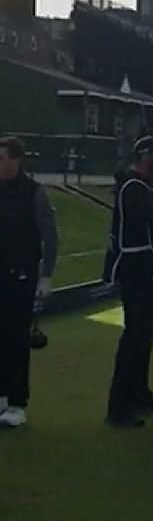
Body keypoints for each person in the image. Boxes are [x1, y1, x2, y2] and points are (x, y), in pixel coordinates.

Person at [105, 136, 153, 429]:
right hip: (135, 268)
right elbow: (152, 217)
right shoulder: (133, 187)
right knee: (135, 338)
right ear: (144, 157)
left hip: (149, 268)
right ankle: (119, 407)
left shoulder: (149, 187)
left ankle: (139, 393)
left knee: (145, 336)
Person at [0, 136, 58, 428]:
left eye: (1, 158)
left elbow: (49, 235)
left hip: (21, 276)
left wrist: (46, 275)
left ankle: (16, 402)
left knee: (16, 340)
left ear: (16, 159)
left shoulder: (34, 192)